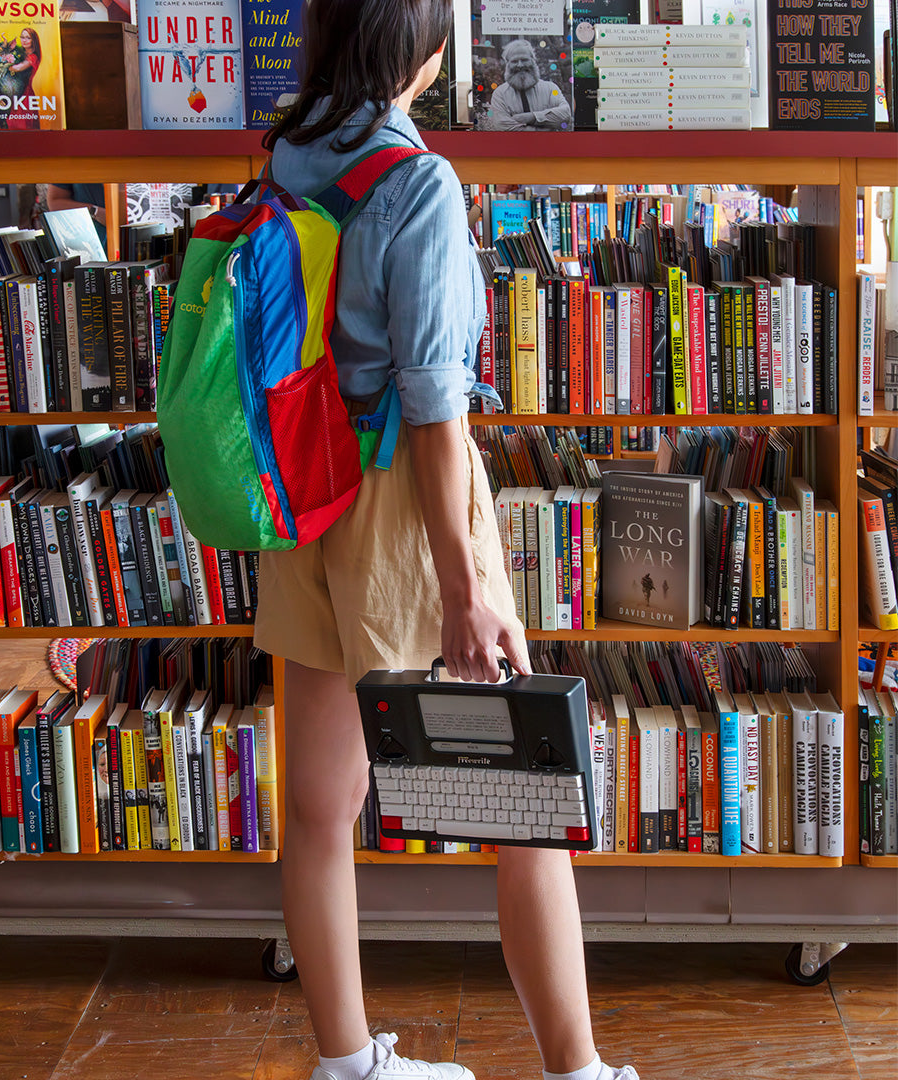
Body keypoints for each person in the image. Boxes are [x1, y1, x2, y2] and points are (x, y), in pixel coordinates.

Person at [251, 3, 637, 1080]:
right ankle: (576, 1069)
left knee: (321, 809)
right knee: (524, 800)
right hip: (400, 509)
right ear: (424, 56)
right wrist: (466, 587)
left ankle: (349, 1064)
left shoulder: (284, 155)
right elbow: (433, 408)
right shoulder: (414, 183)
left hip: (302, 497)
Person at [487, 38, 572, 131]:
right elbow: (501, 126)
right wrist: (543, 129)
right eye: (514, 61)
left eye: (524, 60)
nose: (520, 65)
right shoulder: (500, 94)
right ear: (507, 64)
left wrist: (531, 117)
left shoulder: (551, 89)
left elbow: (565, 114)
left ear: (533, 61)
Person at [2, 27, 42, 130]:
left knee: (22, 126)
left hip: (25, 95)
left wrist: (2, 64)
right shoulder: (20, 53)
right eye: (22, 37)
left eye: (28, 38)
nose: (24, 40)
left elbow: (17, 68)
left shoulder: (33, 57)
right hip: (14, 93)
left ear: (34, 40)